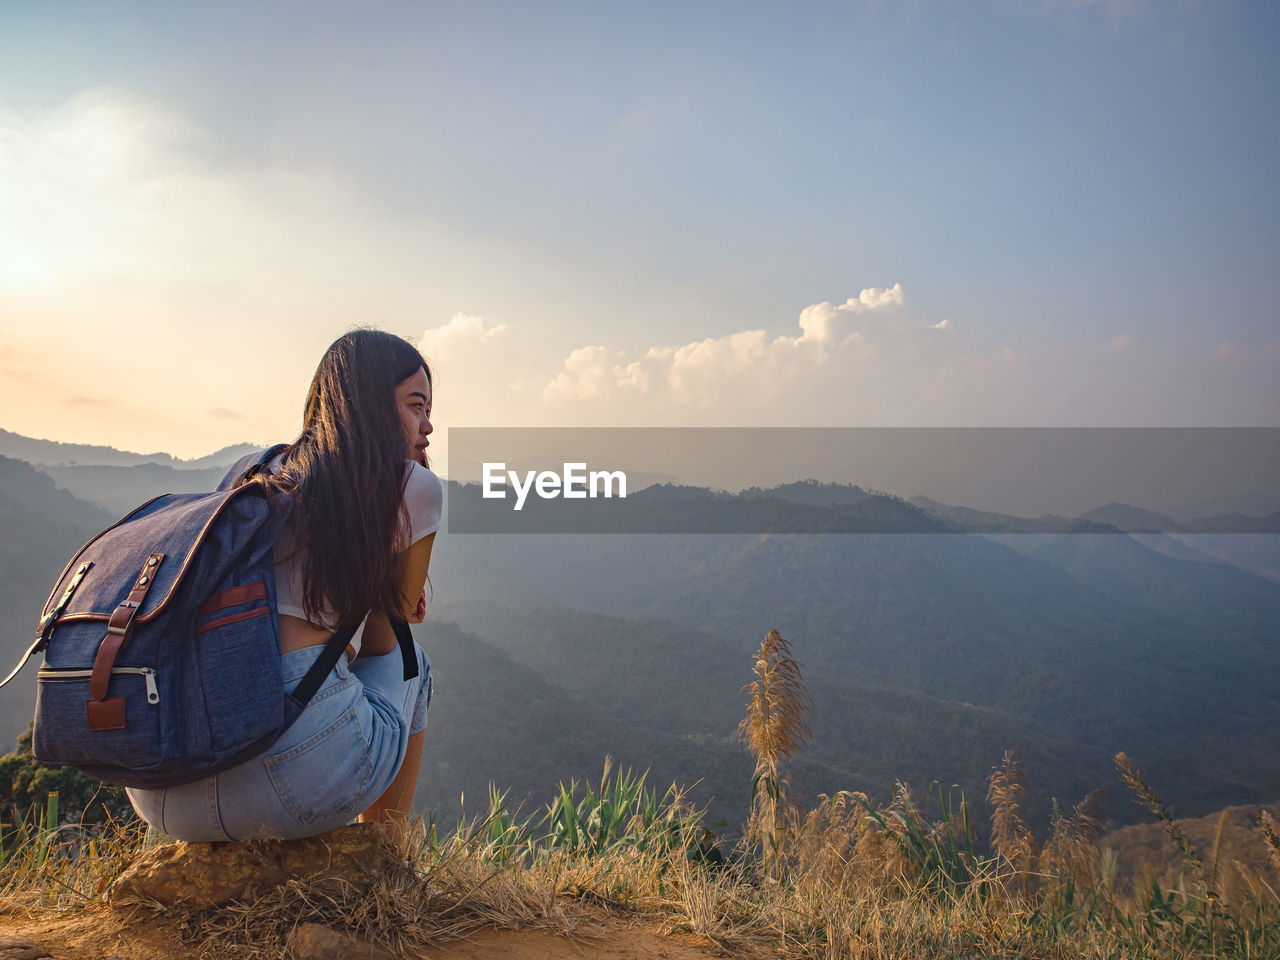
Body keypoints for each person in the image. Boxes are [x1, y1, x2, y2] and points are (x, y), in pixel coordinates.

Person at [126, 329, 440, 841]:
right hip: (290, 787)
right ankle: (386, 855)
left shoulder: (250, 471)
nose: (427, 427)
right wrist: (389, 593)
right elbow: (388, 644)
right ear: (369, 404)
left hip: (162, 790)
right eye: (416, 405)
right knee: (415, 666)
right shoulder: (410, 485)